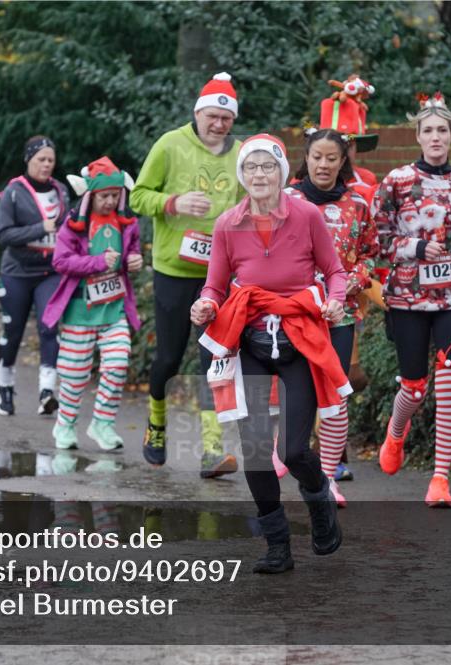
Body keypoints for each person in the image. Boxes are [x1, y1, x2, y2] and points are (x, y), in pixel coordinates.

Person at [192, 134, 350, 574]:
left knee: (295, 451)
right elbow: (215, 285)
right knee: (257, 450)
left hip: (300, 338)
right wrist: (205, 304)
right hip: (251, 342)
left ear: (281, 172)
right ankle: (277, 545)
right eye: (251, 167)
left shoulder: (307, 215)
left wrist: (335, 300)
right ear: (241, 174)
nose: (259, 174)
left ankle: (319, 500)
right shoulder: (227, 223)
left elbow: (335, 271)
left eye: (267, 166)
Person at [371, 92, 451, 508]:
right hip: (407, 295)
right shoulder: (397, 181)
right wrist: (417, 248)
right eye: (429, 130)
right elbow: (377, 239)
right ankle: (396, 432)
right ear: (418, 136)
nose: (436, 137)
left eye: (443, 130)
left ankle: (440, 478)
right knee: (415, 386)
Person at [130, 72, 244, 478]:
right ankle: (156, 423)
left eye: (226, 119)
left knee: (214, 359)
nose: (219, 124)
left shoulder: (241, 153)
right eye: (213, 116)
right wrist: (174, 203)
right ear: (198, 114)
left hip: (218, 276)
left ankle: (212, 449)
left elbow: (249, 207)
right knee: (169, 357)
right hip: (174, 271)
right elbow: (138, 196)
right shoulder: (170, 144)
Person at [285, 125, 379, 507]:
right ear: (306, 159)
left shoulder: (357, 204)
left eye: (331, 158)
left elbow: (370, 254)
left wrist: (355, 280)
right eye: (317, 157)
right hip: (296, 312)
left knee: (336, 393)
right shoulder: (286, 200)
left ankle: (328, 478)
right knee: (298, 389)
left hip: (340, 314)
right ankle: (287, 453)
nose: (323, 165)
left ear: (343, 162)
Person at [42, 157, 142, 451]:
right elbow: (61, 261)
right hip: (79, 311)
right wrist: (97, 262)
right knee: (74, 375)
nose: (110, 201)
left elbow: (131, 252)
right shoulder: (75, 225)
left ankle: (102, 424)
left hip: (114, 308)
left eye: (115, 195)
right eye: (104, 196)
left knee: (118, 363)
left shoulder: (128, 223)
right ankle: (65, 424)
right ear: (91, 195)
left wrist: (133, 260)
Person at [0, 136, 70, 417]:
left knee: (49, 328)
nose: (46, 165)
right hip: (17, 272)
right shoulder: (14, 192)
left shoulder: (61, 190)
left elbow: (68, 228)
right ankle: (4, 386)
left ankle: (47, 392)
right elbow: (3, 234)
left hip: (50, 272)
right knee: (13, 332)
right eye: (41, 159)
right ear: (29, 160)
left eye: (51, 160)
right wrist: (40, 228)